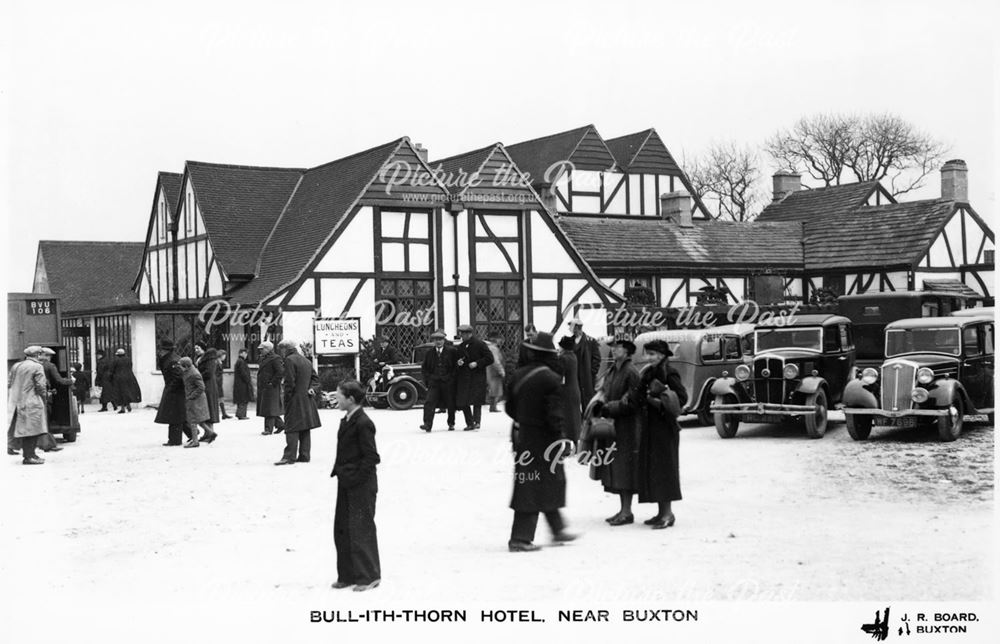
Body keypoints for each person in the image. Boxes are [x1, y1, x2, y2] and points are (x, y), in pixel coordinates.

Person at [505, 332, 576, 552]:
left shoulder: (517, 375)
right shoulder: (551, 379)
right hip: (545, 440)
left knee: (529, 482)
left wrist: (525, 420)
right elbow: (554, 416)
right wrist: (561, 439)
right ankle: (520, 539)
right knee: (546, 482)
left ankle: (557, 530)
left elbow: (510, 408)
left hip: (522, 437)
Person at [330, 380, 381, 591]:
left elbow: (372, 458)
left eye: (339, 396)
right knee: (342, 529)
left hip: (360, 484)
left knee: (361, 529)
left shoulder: (363, 422)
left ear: (350, 399)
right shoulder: (348, 419)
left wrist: (355, 478)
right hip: (346, 481)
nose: (336, 399)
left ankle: (368, 576)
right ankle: (348, 575)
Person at [634, 340, 687, 529]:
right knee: (654, 470)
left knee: (665, 470)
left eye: (653, 354)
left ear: (663, 355)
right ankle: (660, 512)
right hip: (650, 427)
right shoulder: (648, 372)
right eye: (648, 354)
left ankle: (668, 514)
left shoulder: (669, 373)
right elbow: (638, 395)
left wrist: (657, 400)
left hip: (665, 427)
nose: (650, 357)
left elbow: (682, 398)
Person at [591, 339, 641, 526]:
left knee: (624, 468)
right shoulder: (613, 370)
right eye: (612, 347)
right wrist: (599, 403)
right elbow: (604, 390)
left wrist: (609, 407)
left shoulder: (631, 372)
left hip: (627, 427)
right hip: (614, 424)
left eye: (618, 347)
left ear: (627, 352)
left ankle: (627, 511)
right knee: (616, 468)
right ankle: (622, 509)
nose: (613, 350)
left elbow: (631, 401)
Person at [274, 339, 322, 465]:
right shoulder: (306, 360)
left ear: (285, 349)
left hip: (295, 399)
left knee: (292, 427)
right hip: (307, 399)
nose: (281, 353)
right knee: (305, 427)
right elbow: (315, 379)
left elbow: (289, 381)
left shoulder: (289, 360)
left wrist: (287, 398)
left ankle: (289, 456)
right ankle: (304, 455)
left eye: (281, 350)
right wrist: (312, 389)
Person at [7, 346, 50, 464]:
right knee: (33, 430)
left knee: (23, 429)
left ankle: (30, 454)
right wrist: (44, 398)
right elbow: (41, 386)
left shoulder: (16, 366)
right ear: (37, 355)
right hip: (32, 401)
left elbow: (9, 383)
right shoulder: (37, 367)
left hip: (17, 401)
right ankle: (29, 456)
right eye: (41, 354)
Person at [454, 324, 494, 431]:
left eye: (464, 334)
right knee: (463, 401)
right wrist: (458, 363)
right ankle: (469, 422)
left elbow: (490, 358)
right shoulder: (461, 347)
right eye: (461, 334)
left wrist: (477, 363)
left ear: (470, 334)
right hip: (465, 378)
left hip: (477, 377)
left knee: (477, 401)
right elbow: (456, 362)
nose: (462, 336)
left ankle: (477, 422)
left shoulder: (480, 344)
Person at [154, 339, 193, 446]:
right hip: (174, 390)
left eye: (160, 349)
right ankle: (192, 433)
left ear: (165, 350)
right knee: (179, 414)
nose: (159, 352)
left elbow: (178, 378)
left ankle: (175, 440)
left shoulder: (172, 360)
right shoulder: (169, 358)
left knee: (174, 415)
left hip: (175, 392)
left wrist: (170, 389)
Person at [419, 329, 457, 432]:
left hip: (447, 382)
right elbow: (424, 368)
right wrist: (429, 379)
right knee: (429, 402)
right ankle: (427, 424)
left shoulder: (451, 351)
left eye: (440, 339)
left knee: (450, 403)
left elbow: (455, 367)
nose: (438, 342)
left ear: (444, 340)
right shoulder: (429, 353)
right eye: (436, 340)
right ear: (433, 341)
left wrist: (451, 378)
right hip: (434, 382)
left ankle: (451, 423)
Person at [177, 356, 216, 447]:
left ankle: (195, 441)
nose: (180, 368)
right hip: (194, 398)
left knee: (192, 420)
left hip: (196, 399)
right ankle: (211, 433)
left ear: (186, 366)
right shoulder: (189, 371)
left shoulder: (194, 374)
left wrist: (191, 396)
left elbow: (201, 387)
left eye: (181, 366)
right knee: (198, 420)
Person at [37, 347, 71, 451]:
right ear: (45, 356)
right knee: (46, 419)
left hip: (34, 396)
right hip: (45, 395)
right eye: (49, 356)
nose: (50, 358)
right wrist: (70, 381)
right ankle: (47, 445)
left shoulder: (35, 365)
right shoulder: (49, 365)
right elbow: (59, 380)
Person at [568, 317, 601, 411]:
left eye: (573, 327)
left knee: (587, 399)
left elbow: (597, 358)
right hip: (574, 375)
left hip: (586, 376)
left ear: (578, 327)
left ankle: (588, 420)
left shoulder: (590, 341)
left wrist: (591, 372)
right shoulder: (569, 341)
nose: (571, 330)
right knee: (574, 400)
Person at [557, 336, 583, 442]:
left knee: (566, 420)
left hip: (566, 392)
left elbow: (559, 375)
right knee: (575, 419)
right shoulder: (573, 356)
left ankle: (567, 445)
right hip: (574, 390)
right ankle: (577, 443)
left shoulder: (563, 358)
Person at [257, 341, 285, 435]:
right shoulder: (263, 358)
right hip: (265, 387)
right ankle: (281, 425)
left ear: (268, 349)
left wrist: (272, 382)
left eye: (262, 349)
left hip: (272, 387)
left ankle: (268, 429)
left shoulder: (275, 358)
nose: (260, 351)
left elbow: (280, 372)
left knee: (269, 408)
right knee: (270, 408)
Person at [194, 343, 220, 425]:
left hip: (209, 386)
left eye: (198, 348)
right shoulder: (198, 358)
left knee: (209, 409)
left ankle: (210, 432)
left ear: (203, 348)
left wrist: (197, 377)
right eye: (195, 349)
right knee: (204, 410)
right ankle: (208, 433)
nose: (196, 350)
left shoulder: (210, 359)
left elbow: (209, 372)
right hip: (202, 385)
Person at [109, 348, 141, 413]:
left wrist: (110, 378)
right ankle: (128, 405)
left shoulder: (116, 360)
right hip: (129, 377)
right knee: (127, 392)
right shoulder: (128, 360)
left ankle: (122, 408)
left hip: (119, 378)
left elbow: (112, 370)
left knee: (120, 393)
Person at [485, 334, 506, 413]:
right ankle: (493, 407)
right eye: (500, 340)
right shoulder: (493, 348)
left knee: (493, 389)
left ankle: (492, 406)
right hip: (494, 372)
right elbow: (496, 361)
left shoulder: (488, 347)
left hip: (489, 370)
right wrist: (501, 371)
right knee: (496, 390)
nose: (501, 342)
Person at [233, 348, 255, 420]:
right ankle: (241, 414)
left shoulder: (239, 361)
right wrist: (248, 380)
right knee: (243, 399)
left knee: (241, 399)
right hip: (242, 384)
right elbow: (243, 373)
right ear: (242, 353)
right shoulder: (241, 362)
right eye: (245, 353)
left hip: (240, 384)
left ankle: (240, 413)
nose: (246, 355)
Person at [216, 349, 232, 420]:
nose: (225, 357)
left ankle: (224, 413)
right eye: (224, 355)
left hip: (219, 383)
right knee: (218, 398)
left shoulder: (220, 363)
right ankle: (221, 413)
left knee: (221, 398)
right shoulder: (216, 363)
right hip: (217, 383)